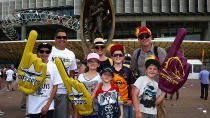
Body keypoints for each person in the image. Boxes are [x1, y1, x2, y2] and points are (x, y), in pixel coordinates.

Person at [131, 26, 167, 118]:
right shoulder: (136, 53)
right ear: (138, 40)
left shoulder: (159, 51)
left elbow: (166, 71)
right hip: (141, 92)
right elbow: (132, 70)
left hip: (157, 91)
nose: (144, 39)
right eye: (141, 37)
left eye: (146, 36)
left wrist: (165, 89)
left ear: (151, 37)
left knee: (159, 114)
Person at [28, 43, 63, 118]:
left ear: (49, 53)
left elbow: (55, 87)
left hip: (48, 105)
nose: (44, 54)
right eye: (42, 51)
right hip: (33, 105)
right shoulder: (31, 65)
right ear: (37, 52)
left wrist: (47, 105)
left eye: (47, 52)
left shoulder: (54, 66)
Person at [48, 29, 77, 118]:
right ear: (55, 39)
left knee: (62, 115)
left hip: (63, 91)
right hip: (48, 90)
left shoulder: (71, 54)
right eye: (59, 37)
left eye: (64, 37)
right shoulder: (48, 52)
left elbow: (72, 73)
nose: (62, 39)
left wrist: (70, 87)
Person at [110, 44, 136, 118]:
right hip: (111, 102)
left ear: (123, 57)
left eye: (120, 55)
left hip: (125, 102)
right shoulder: (108, 70)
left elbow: (132, 87)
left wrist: (131, 99)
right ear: (112, 57)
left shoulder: (128, 70)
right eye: (115, 55)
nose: (118, 57)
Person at [78, 53, 102, 118]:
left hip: (97, 110)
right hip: (84, 109)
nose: (92, 63)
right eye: (90, 61)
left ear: (98, 64)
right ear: (87, 64)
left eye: (95, 61)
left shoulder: (101, 77)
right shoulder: (81, 76)